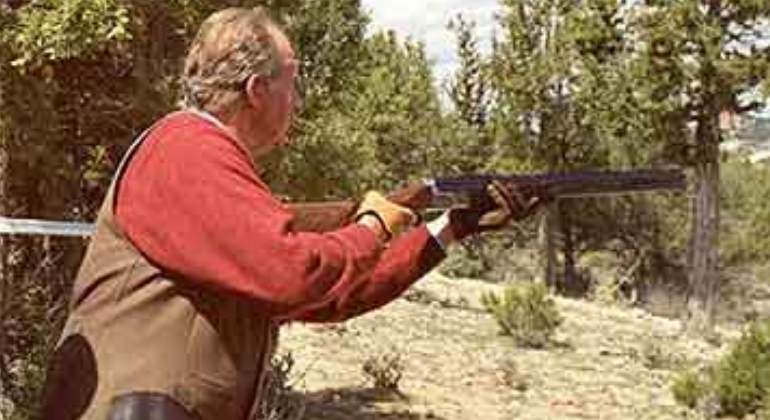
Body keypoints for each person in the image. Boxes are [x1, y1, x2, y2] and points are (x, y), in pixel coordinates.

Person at [40, 7, 544, 420]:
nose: (297, 101)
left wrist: (451, 227)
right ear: (257, 90)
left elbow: (332, 294)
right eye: (292, 83)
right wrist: (373, 224)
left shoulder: (209, 163)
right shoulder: (187, 148)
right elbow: (294, 274)